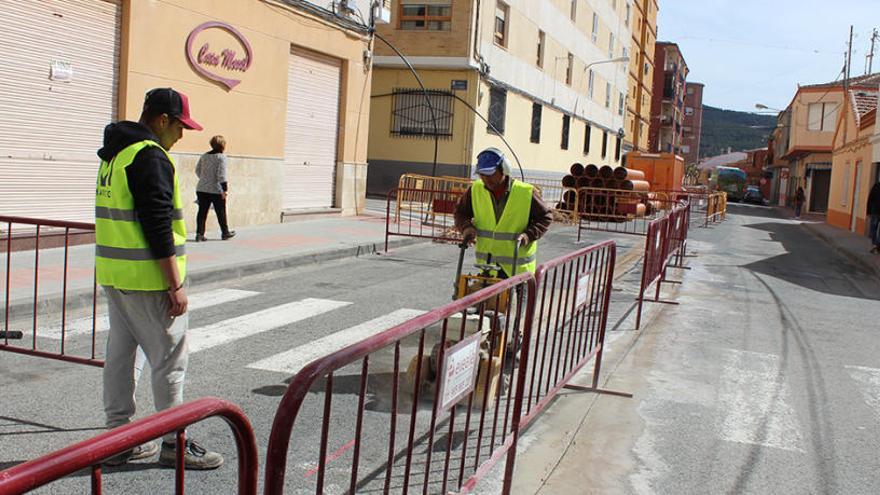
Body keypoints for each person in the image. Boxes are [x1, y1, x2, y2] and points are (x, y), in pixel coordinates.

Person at [95, 88, 223, 470]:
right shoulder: (150, 155)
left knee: (121, 355)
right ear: (162, 120)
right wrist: (175, 285)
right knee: (169, 362)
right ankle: (174, 441)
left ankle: (118, 438)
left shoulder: (115, 153)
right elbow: (156, 223)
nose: (182, 135)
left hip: (116, 276)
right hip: (150, 280)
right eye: (180, 126)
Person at [454, 147, 553, 277]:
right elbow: (460, 213)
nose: (486, 179)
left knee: (521, 297)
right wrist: (466, 227)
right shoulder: (475, 190)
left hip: (518, 268)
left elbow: (545, 217)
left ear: (504, 170)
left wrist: (528, 235)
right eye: (482, 175)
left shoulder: (526, 192)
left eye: (490, 174)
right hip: (488, 266)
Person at [195, 135, 235, 241]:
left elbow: (197, 170)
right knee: (220, 211)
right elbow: (221, 175)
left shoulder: (204, 156)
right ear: (222, 145)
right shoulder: (221, 157)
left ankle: (199, 234)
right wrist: (225, 189)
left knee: (202, 212)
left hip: (201, 188)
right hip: (216, 189)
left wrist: (204, 179)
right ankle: (225, 232)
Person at [867, 180, 880, 254]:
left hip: (875, 212)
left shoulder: (876, 186)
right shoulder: (876, 186)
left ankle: (875, 246)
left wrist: (868, 211)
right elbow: (870, 199)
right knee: (874, 229)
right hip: (875, 212)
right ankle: (877, 246)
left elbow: (870, 199)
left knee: (873, 229)